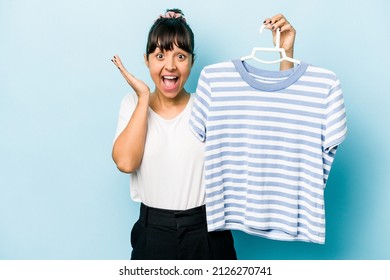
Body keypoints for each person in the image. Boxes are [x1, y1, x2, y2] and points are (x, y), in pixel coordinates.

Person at [111, 8, 297, 260]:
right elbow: (126, 162)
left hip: (207, 231)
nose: (170, 66)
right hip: (152, 232)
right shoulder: (132, 104)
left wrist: (285, 54)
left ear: (192, 61)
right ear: (146, 60)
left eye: (180, 56)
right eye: (159, 55)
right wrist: (144, 97)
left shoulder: (210, 104)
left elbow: (273, 126)